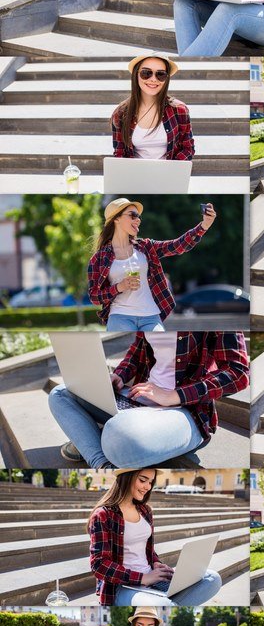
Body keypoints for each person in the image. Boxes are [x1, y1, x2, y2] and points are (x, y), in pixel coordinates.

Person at [48, 329, 250, 471]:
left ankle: (88, 439)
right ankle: (102, 464)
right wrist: (120, 375)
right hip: (139, 398)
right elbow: (138, 350)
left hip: (186, 412)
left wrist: (174, 395)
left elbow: (238, 373)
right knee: (61, 393)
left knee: (118, 432)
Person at [88, 468, 222, 608]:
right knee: (165, 605)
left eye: (151, 482)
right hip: (122, 586)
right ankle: (166, 603)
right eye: (142, 480)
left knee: (213, 579)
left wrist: (156, 563)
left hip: (152, 576)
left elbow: (146, 550)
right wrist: (143, 578)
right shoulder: (103, 515)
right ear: (126, 477)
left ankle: (167, 602)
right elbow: (99, 565)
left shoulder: (145, 511)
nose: (148, 486)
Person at [87, 197, 215, 333]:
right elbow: (94, 296)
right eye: (133, 215)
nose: (138, 219)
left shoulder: (146, 247)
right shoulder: (99, 258)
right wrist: (119, 287)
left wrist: (203, 226)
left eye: (139, 216)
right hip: (120, 315)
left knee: (160, 350)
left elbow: (177, 246)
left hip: (150, 316)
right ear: (116, 219)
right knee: (125, 351)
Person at [111, 55, 195, 162]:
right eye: (146, 73)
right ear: (136, 74)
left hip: (169, 174)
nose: (153, 79)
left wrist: (172, 170)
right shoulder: (120, 114)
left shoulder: (180, 110)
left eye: (160, 74)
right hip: (135, 175)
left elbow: (188, 148)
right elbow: (120, 154)